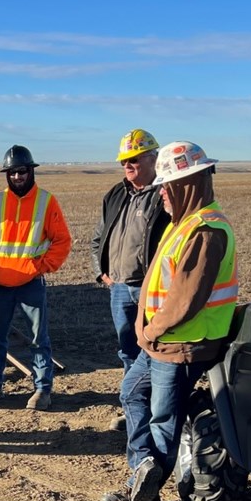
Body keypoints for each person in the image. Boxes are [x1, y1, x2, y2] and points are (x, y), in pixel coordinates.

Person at [101, 141, 237, 501]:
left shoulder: (205, 230)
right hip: (161, 342)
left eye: (167, 185)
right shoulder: (186, 222)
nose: (161, 192)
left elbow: (185, 299)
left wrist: (149, 330)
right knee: (131, 392)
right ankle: (144, 464)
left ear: (187, 184)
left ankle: (143, 490)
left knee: (164, 419)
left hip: (182, 344)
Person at [0, 145, 72, 411]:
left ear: (31, 171)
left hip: (30, 283)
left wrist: (43, 266)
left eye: (22, 172)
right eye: (13, 172)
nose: (17, 177)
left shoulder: (46, 201)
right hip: (0, 284)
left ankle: (42, 390)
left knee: (39, 339)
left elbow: (61, 240)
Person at [90, 130, 169, 431]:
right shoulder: (115, 194)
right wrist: (102, 272)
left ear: (153, 158)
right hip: (120, 289)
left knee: (157, 349)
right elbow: (98, 238)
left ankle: (156, 411)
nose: (128, 165)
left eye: (134, 159)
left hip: (153, 290)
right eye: (124, 160)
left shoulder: (165, 193)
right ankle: (133, 409)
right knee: (128, 350)